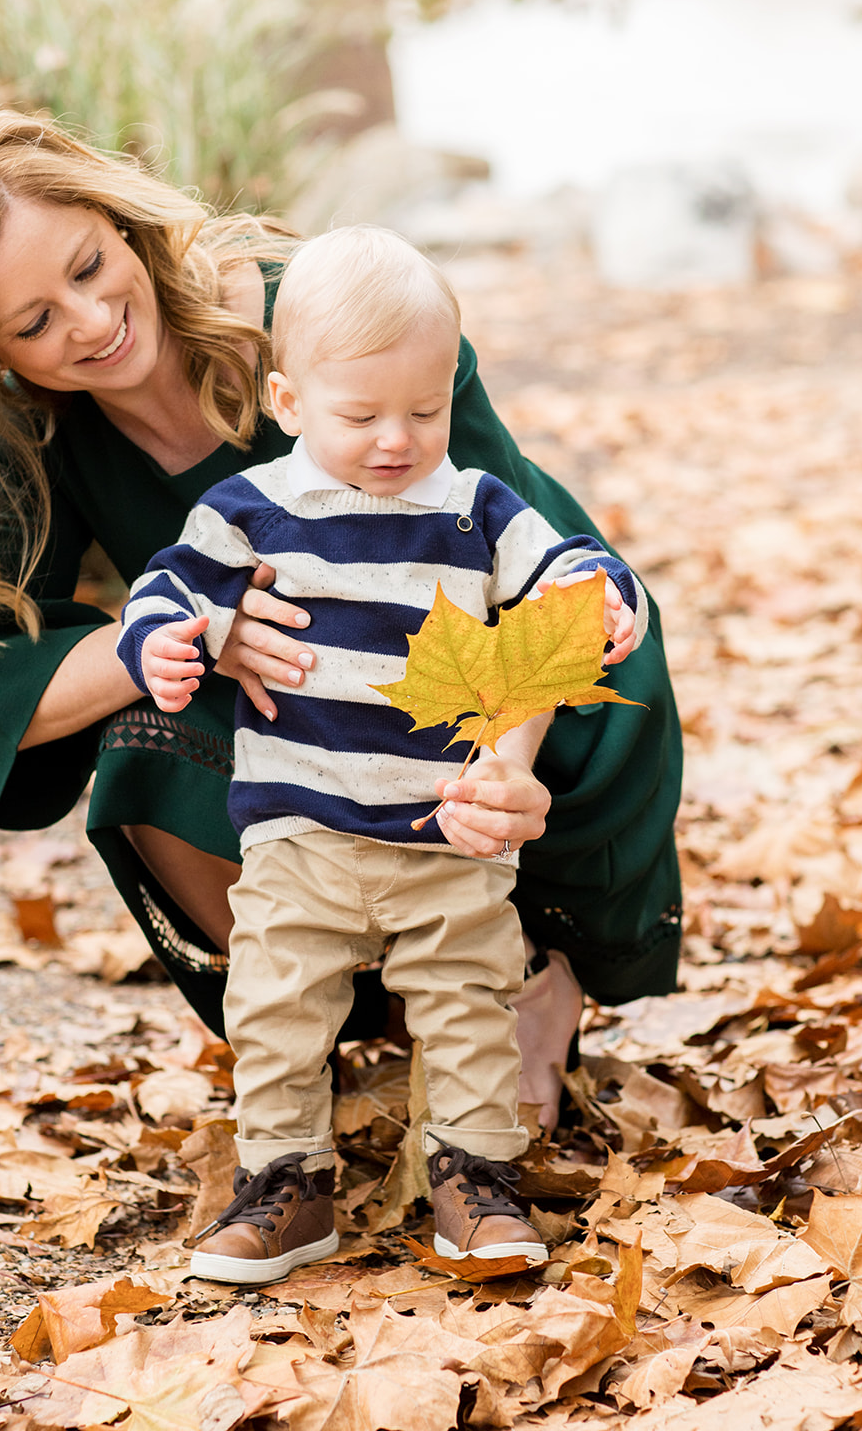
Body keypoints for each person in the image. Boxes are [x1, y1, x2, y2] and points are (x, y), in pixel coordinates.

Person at [0, 107, 682, 1143]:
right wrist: (195, 622)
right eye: (32, 324)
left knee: (508, 744)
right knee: (139, 732)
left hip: (514, 676)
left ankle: (520, 977)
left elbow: (535, 587)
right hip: (312, 729)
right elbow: (1, 689)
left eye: (89, 265)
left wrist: (507, 764)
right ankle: (326, 1014)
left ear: (117, 219)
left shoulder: (315, 309)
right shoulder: (28, 433)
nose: (90, 320)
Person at [117, 225, 648, 1281]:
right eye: (361, 416)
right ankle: (284, 1183)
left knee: (463, 1000)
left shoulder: (471, 509)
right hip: (300, 828)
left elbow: (569, 565)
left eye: (426, 409)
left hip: (442, 829)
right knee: (273, 1002)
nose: (397, 440)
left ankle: (470, 1176)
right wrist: (170, 640)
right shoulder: (248, 511)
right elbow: (166, 585)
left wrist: (602, 597)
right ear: (289, 403)